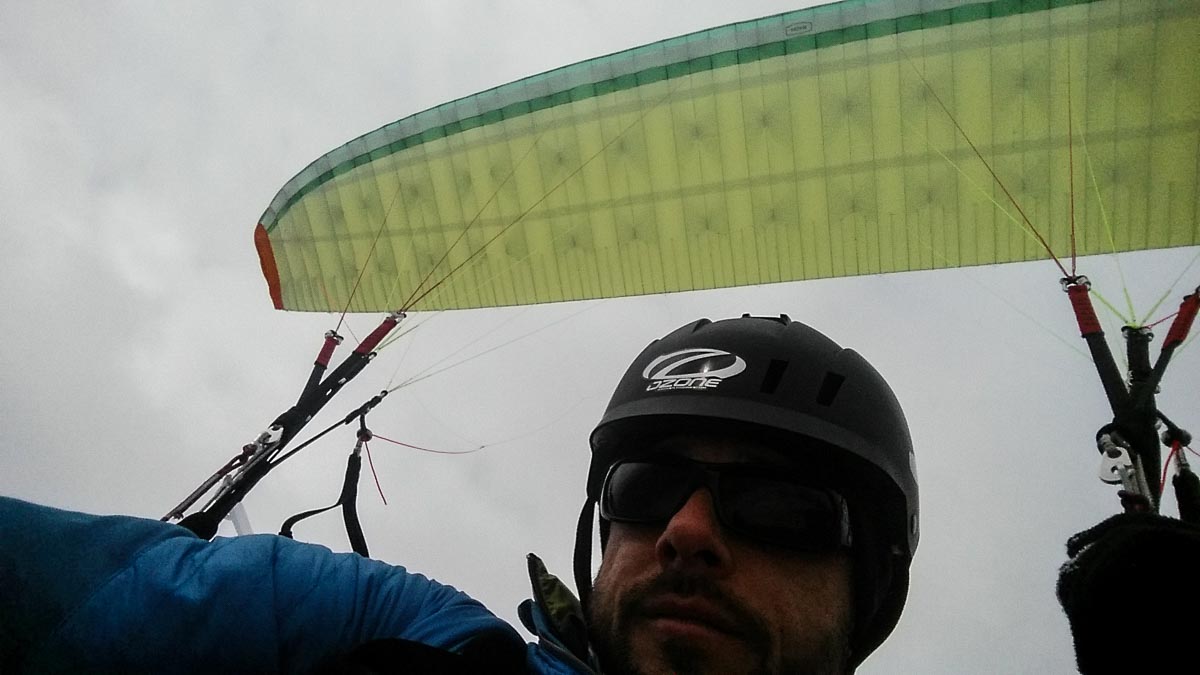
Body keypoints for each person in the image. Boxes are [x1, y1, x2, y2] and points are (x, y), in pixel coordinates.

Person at [1, 314, 918, 674]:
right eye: (647, 488)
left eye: (778, 507)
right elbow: (108, 596)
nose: (685, 529)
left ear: (869, 589)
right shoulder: (421, 640)